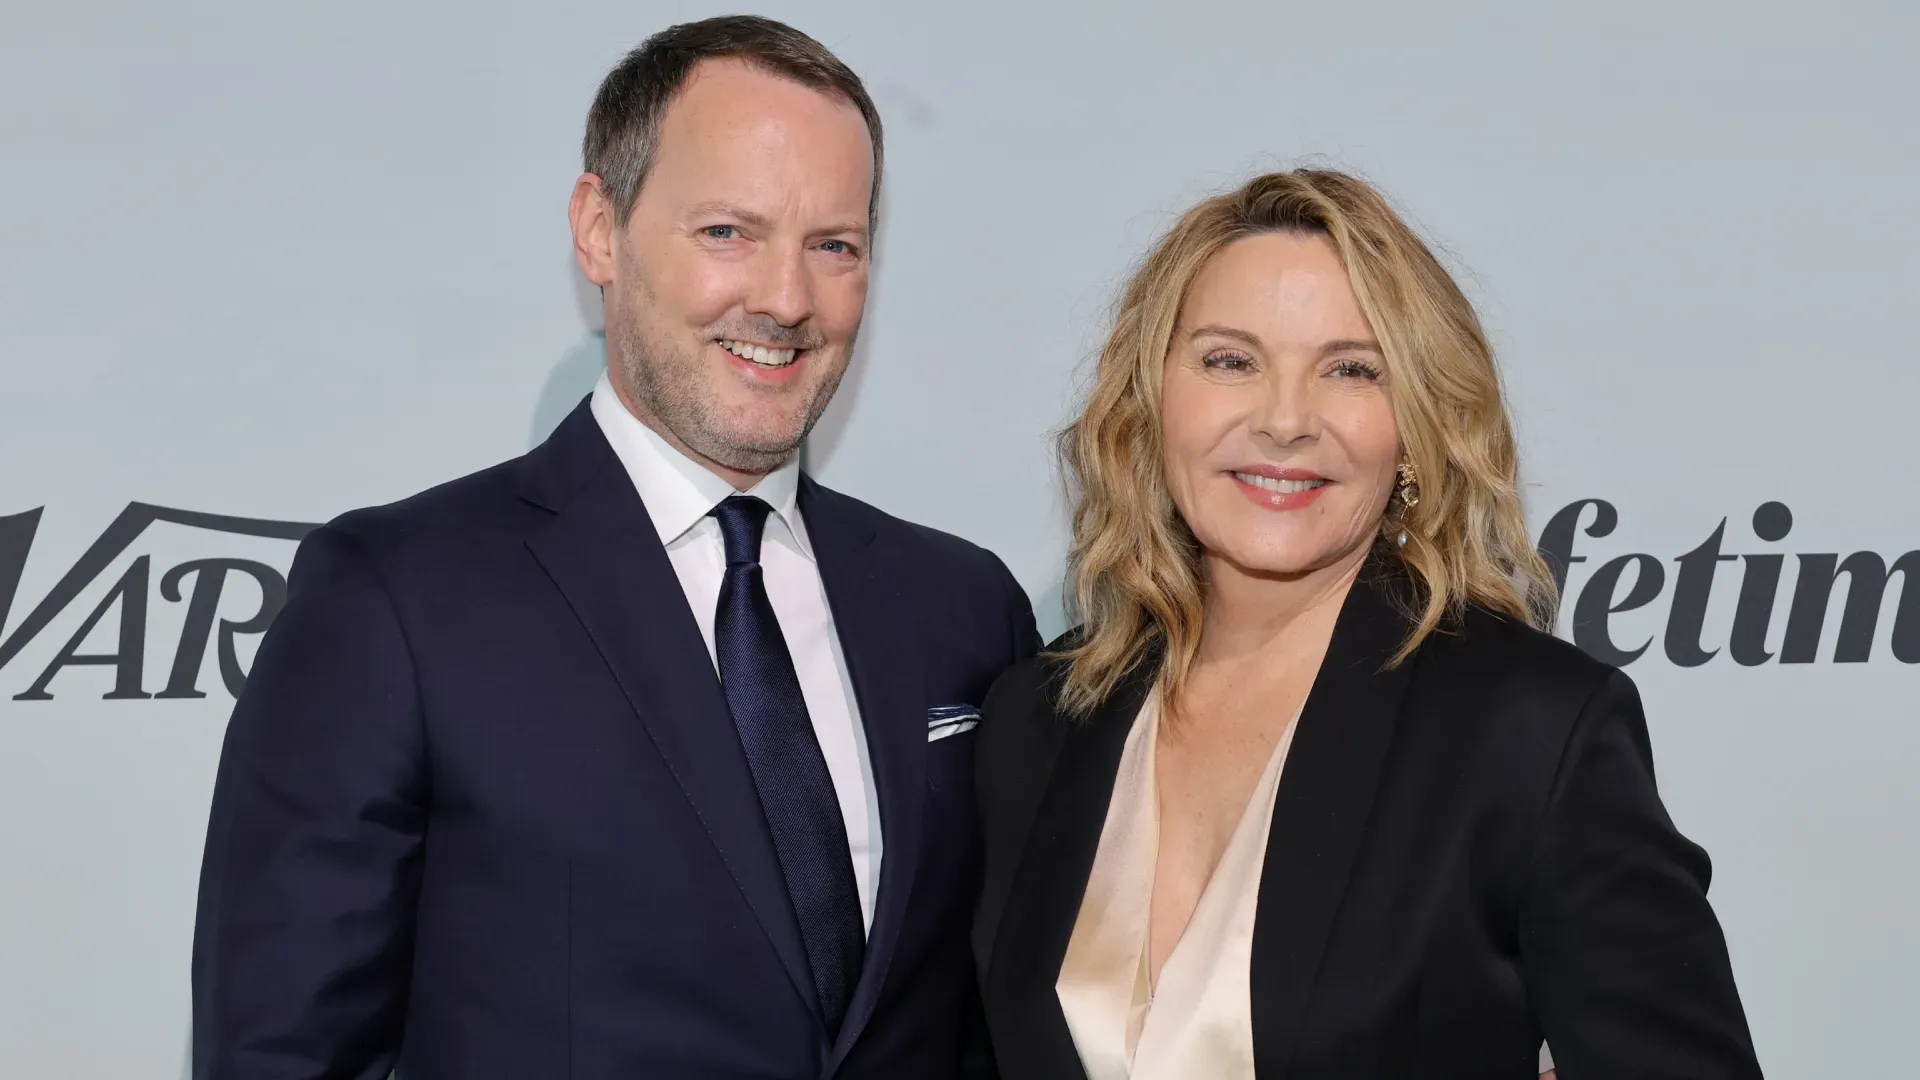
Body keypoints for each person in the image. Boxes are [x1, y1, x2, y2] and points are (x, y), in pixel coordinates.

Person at [191, 16, 1036, 1079]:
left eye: (835, 245)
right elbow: (284, 1055)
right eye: (728, 232)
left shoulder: (962, 608)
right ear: (600, 229)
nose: (785, 299)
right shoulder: (397, 601)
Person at [972, 169, 1763, 1078]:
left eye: (1351, 369)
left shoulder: (1529, 732)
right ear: (1152, 404)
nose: (1284, 420)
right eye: (1230, 360)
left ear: (1415, 426)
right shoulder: (1039, 722)